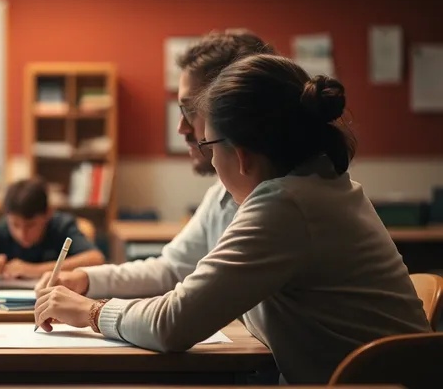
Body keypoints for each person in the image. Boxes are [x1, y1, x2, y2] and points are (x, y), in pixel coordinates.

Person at [33, 55, 431, 384]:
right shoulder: (319, 187)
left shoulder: (284, 206)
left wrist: (91, 312)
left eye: (207, 144)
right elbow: (184, 285)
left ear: (239, 153)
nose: (205, 154)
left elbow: (173, 323)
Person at [36, 30, 275, 301]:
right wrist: (86, 279)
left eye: (191, 109)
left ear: (236, 111)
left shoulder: (280, 206)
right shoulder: (221, 194)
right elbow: (172, 270)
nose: (181, 127)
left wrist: (92, 313)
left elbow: (177, 319)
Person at [0, 178, 105, 279]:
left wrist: (33, 270)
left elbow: (96, 259)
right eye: (16, 225)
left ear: (47, 213)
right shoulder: (5, 229)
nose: (22, 234)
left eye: (30, 225)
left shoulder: (61, 226)